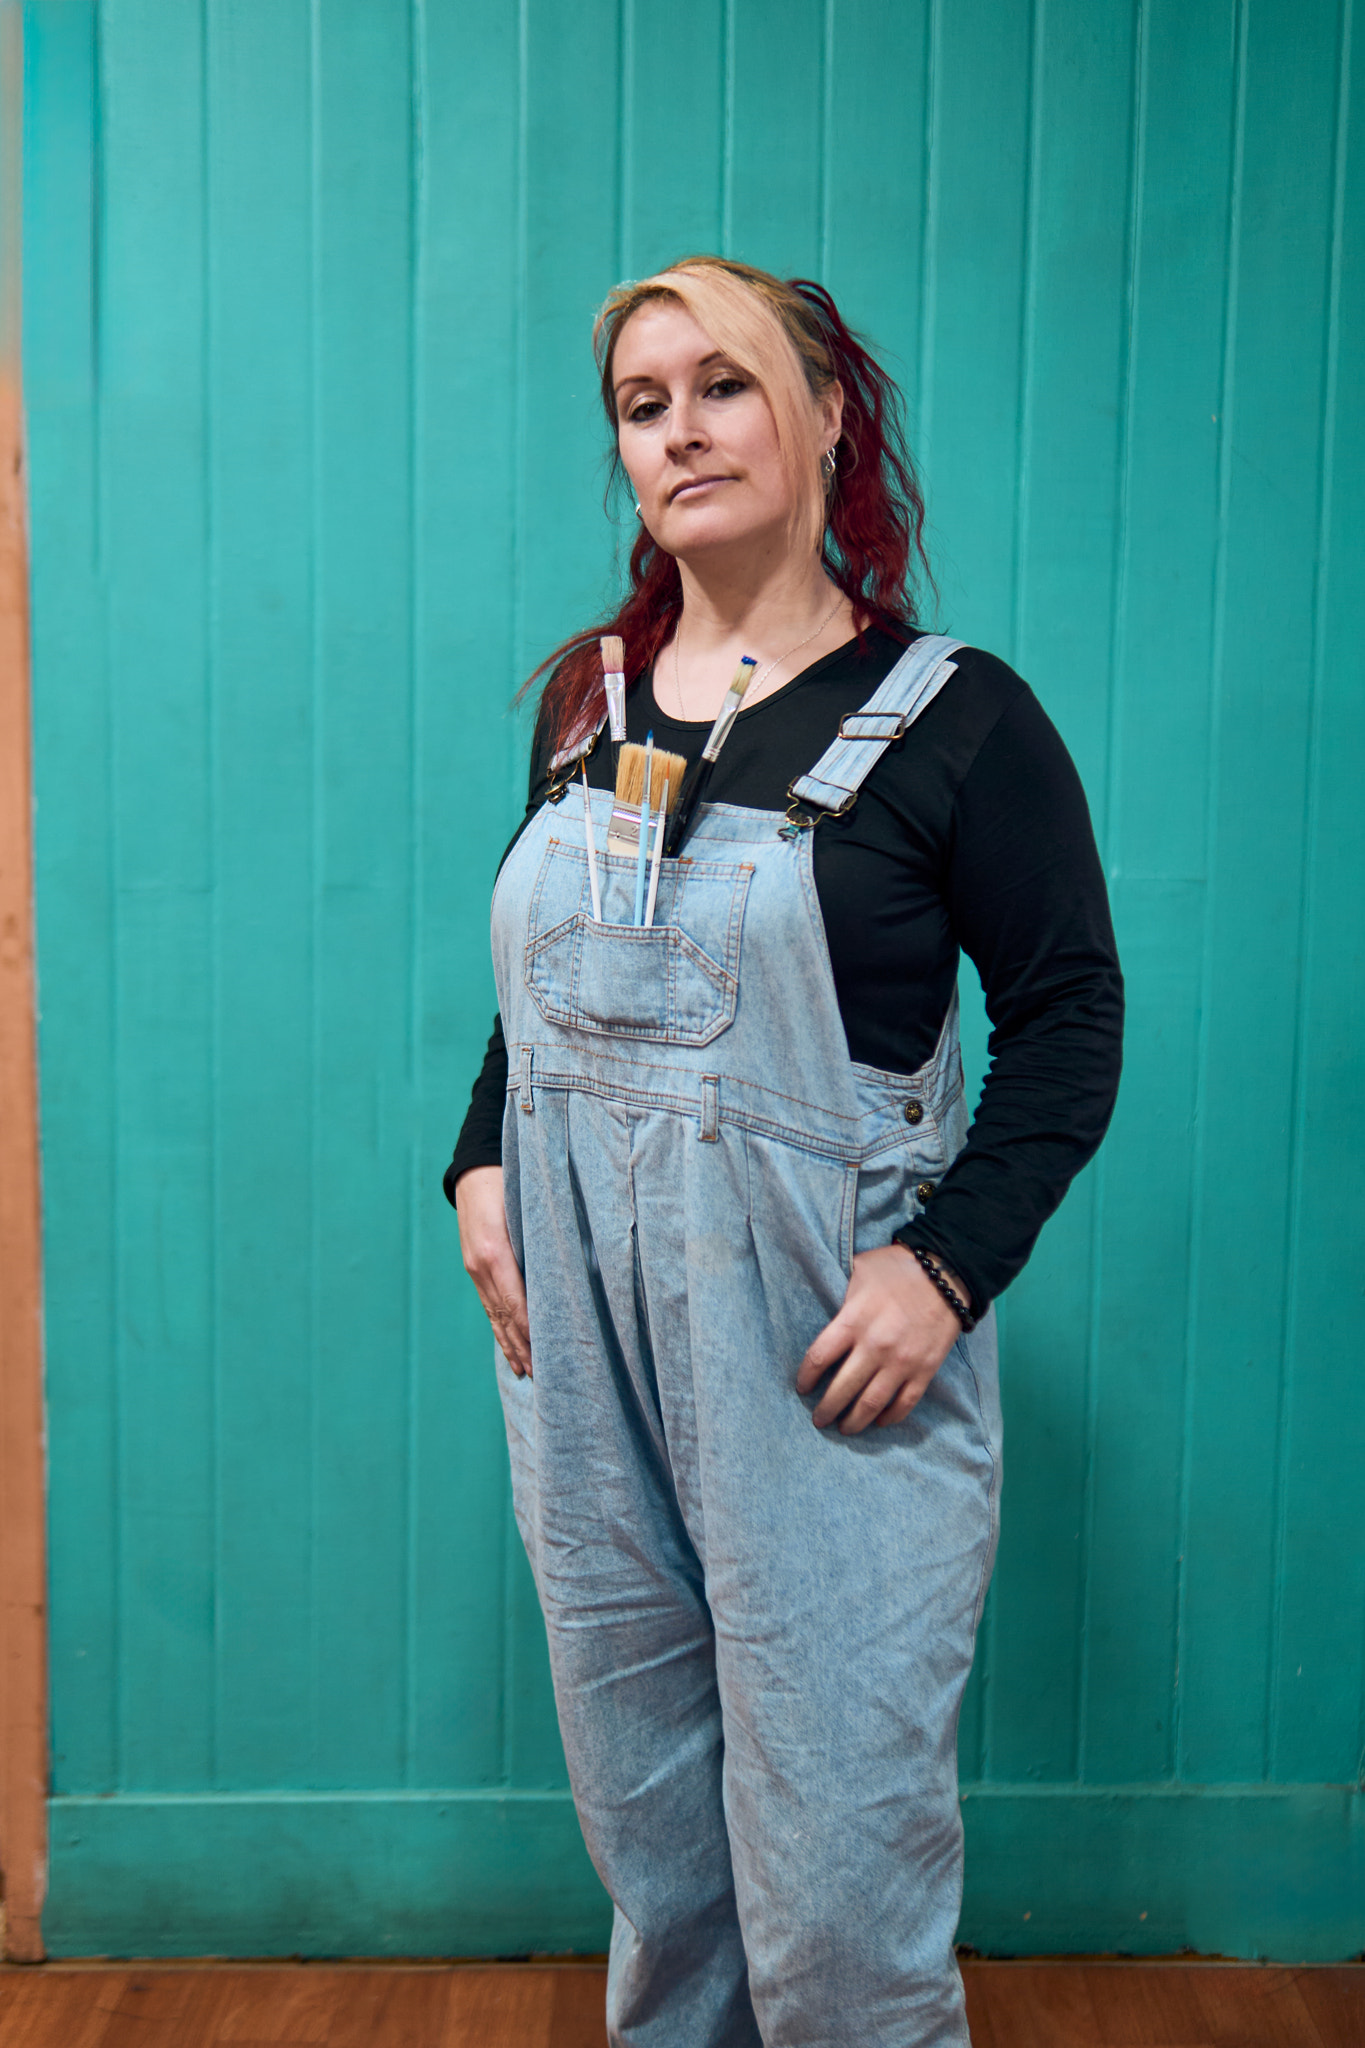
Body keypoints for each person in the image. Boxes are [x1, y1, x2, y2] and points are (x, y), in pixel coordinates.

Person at [447, 256, 1123, 2047]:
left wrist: (948, 1265)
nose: (679, 428)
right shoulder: (587, 705)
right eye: (642, 402)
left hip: (818, 1356)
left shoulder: (958, 718)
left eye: (723, 383)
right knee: (658, 1851)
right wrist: (480, 1160)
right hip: (584, 1348)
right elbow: (548, 983)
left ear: (828, 417)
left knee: (834, 1880)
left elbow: (1070, 1019)